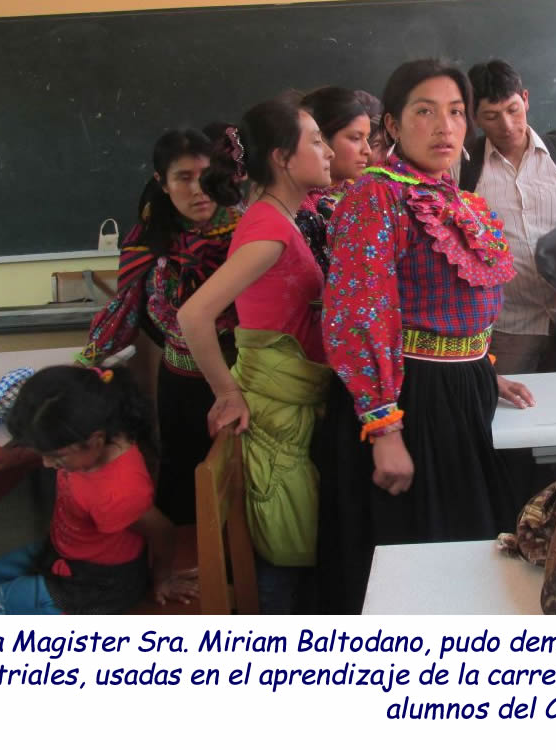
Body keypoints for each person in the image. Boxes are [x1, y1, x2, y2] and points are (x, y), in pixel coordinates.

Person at [320, 58, 535, 613]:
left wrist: (482, 367)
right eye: (425, 112)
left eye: (457, 112)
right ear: (392, 124)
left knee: (469, 549)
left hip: (460, 391)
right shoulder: (377, 198)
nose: (445, 127)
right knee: (426, 561)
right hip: (410, 403)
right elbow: (359, 316)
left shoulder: (449, 196)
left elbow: (451, 309)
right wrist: (385, 431)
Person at [177, 93, 334, 614]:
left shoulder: (288, 215)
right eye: (317, 142)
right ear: (283, 158)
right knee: (284, 556)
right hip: (276, 413)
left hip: (291, 403)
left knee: (291, 543)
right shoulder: (269, 231)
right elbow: (193, 316)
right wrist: (227, 393)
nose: (329, 151)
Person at [76, 128, 244, 526]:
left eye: (205, 176)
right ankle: (188, 560)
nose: (198, 189)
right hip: (180, 386)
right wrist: (87, 362)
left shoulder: (247, 233)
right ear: (162, 183)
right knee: (184, 483)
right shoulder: (148, 239)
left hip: (242, 380)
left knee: (242, 491)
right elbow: (125, 309)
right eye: (183, 178)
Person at [0, 366, 196, 615]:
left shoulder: (118, 492)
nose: (47, 464)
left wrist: (163, 579)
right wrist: (13, 457)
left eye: (56, 457)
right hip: (64, 553)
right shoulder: (96, 435)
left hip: (95, 587)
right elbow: (55, 445)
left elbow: (163, 531)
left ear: (94, 441)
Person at [464, 59, 556, 376]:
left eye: (513, 110)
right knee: (510, 403)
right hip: (505, 326)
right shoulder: (465, 167)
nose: (507, 125)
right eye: (491, 116)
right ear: (474, 117)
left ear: (525, 99)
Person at [296, 86, 374, 267]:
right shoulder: (296, 204)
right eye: (355, 138)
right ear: (320, 139)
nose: (367, 150)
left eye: (368, 138)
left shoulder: (365, 194)